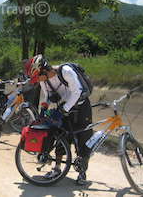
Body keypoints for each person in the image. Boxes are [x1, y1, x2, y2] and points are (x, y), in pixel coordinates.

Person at [26, 54, 93, 186]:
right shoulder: (44, 80)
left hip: (81, 107)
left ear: (44, 70)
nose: (37, 81)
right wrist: (44, 108)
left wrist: (62, 111)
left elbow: (76, 92)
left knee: (84, 138)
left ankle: (82, 172)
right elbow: (48, 96)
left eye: (37, 77)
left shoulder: (66, 71)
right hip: (65, 107)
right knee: (62, 137)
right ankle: (57, 169)